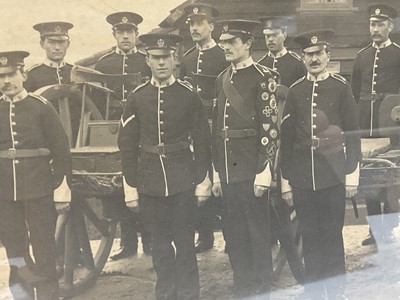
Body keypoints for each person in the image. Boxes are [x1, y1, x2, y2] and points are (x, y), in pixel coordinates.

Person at [118, 33, 211, 300]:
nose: (161, 63)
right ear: (147, 61)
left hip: (183, 179)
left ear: (174, 60)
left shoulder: (188, 95)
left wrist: (202, 181)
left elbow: (203, 141)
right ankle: (166, 294)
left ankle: (189, 294)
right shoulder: (137, 97)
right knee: (159, 246)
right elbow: (127, 145)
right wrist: (130, 188)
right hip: (149, 183)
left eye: (166, 58)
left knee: (184, 244)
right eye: (156, 58)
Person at [280, 29, 361, 299]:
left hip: (333, 174)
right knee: (310, 236)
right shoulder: (295, 90)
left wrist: (352, 175)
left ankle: (336, 292)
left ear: (328, 55)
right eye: (309, 54)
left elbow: (352, 132)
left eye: (319, 53)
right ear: (302, 58)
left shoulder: (340, 87)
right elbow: (287, 137)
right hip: (303, 177)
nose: (314, 59)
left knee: (332, 235)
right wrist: (287, 179)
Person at [212, 19, 279, 299]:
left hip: (252, 165)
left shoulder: (265, 77)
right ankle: (242, 279)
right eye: (223, 42)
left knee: (256, 227)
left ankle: (263, 280)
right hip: (227, 166)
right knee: (233, 229)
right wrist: (216, 171)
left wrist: (265, 169)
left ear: (248, 43)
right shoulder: (221, 79)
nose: (226, 47)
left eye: (232, 42)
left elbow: (270, 127)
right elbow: (216, 127)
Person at [0, 51, 72, 299]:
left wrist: (62, 190)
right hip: (5, 194)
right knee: (16, 253)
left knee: (44, 251)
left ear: (23, 74)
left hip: (40, 189)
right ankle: (22, 295)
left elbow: (61, 151)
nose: (6, 81)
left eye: (10, 74)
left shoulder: (41, 107)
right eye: (0, 77)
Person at [94, 12, 152, 260]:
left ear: (137, 35)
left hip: (143, 128)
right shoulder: (104, 64)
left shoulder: (146, 61)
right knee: (118, 185)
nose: (125, 36)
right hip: (113, 130)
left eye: (130, 32)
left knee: (145, 181)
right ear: (114, 35)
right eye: (121, 33)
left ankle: (150, 242)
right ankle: (127, 244)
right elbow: (96, 102)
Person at [180, 2, 229, 254]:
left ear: (212, 26)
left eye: (200, 23)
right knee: (199, 176)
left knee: (222, 176)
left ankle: (231, 236)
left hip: (217, 124)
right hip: (194, 127)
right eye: (191, 24)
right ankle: (205, 235)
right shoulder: (187, 58)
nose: (195, 28)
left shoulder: (223, 55)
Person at [351, 3, 400, 246]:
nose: (375, 28)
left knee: (391, 179)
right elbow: (353, 93)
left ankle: (389, 227)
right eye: (372, 24)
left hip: (390, 128)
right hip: (365, 125)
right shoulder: (361, 57)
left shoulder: (399, 54)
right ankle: (374, 230)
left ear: (390, 26)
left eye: (380, 24)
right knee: (368, 178)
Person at [24, 21, 81, 144]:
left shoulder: (78, 73)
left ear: (68, 44)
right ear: (42, 44)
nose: (57, 47)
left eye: (61, 42)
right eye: (51, 42)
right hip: (43, 139)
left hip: (77, 140)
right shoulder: (31, 75)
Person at [258, 16, 306, 88]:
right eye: (267, 36)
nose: (270, 39)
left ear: (284, 35)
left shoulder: (297, 63)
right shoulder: (260, 65)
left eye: (275, 35)